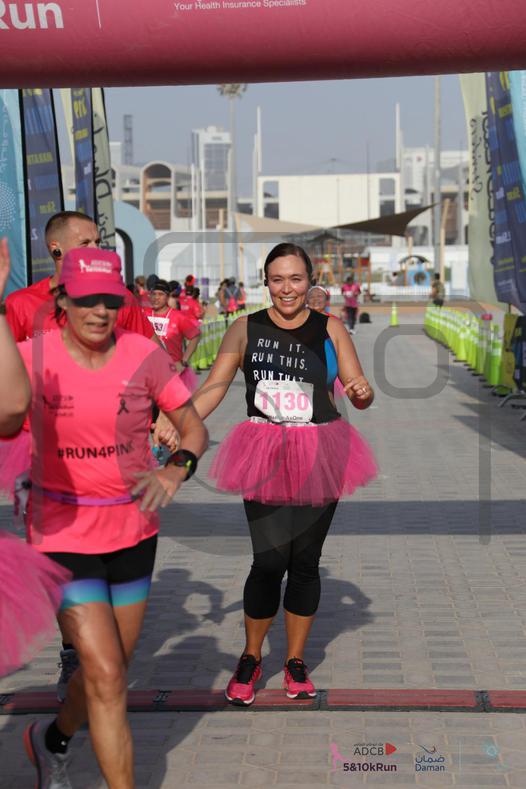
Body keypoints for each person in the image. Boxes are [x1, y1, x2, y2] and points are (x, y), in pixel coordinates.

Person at [16, 246, 208, 789]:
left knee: (112, 669)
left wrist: (176, 468)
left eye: (110, 300)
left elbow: (192, 426)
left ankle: (53, 739)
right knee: (104, 672)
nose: (99, 311)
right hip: (61, 532)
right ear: (62, 299)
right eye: (86, 299)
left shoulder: (143, 354)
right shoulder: (30, 358)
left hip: (133, 530)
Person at [193, 242, 377, 706]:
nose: (287, 288)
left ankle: (295, 661)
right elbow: (214, 386)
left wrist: (361, 391)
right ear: (266, 282)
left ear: (310, 281)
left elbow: (359, 392)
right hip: (264, 451)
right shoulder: (245, 328)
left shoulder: (330, 327)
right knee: (269, 561)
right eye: (278, 279)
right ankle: (251, 657)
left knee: (305, 562)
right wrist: (178, 421)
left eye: (296, 279)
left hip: (320, 450)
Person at [0, 238, 71, 680]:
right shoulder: (22, 304)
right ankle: (74, 650)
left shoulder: (116, 303)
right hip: (33, 449)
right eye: (85, 242)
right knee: (55, 552)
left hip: (96, 456)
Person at [4, 211, 154, 341]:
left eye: (97, 242)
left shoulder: (123, 299)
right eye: (85, 243)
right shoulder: (20, 304)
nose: (96, 249)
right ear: (56, 249)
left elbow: (156, 359)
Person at [143, 279, 201, 390]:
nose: (156, 297)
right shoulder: (143, 313)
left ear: (167, 296)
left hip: (171, 370)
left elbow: (196, 335)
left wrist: (184, 361)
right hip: (147, 370)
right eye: (153, 294)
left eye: (160, 294)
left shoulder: (178, 317)